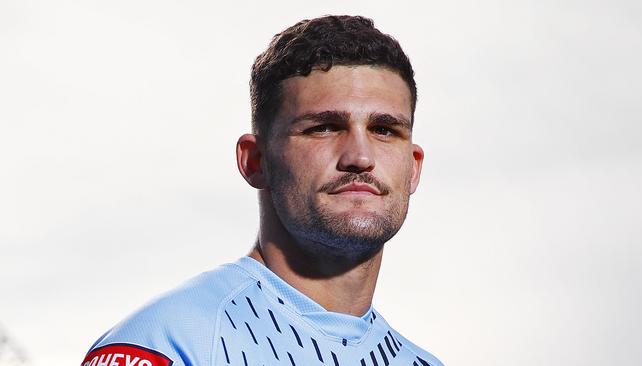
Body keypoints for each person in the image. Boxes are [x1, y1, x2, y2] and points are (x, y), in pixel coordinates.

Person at [81, 15, 443, 366]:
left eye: (384, 130)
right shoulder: (169, 343)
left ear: (413, 168)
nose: (360, 157)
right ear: (256, 161)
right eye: (324, 128)